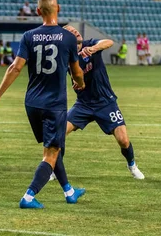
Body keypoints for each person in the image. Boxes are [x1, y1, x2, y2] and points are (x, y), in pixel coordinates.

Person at [0, 0, 86, 209]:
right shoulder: (68, 37)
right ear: (58, 8)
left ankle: (69, 192)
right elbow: (76, 71)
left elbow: (15, 68)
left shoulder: (28, 36)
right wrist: (80, 83)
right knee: (51, 153)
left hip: (32, 103)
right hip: (54, 103)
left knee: (51, 148)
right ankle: (28, 197)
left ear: (38, 12)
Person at [61, 26, 144, 179]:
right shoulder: (65, 55)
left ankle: (132, 164)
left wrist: (93, 49)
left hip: (106, 102)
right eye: (71, 32)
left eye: (76, 30)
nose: (76, 32)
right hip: (83, 104)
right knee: (58, 133)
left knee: (123, 140)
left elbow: (108, 42)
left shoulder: (89, 44)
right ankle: (54, 169)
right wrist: (76, 81)